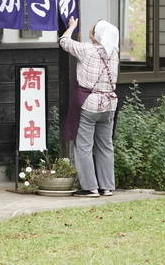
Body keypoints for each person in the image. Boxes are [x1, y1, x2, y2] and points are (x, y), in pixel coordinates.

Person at [59, 16, 119, 197]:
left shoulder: (87, 50)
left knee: (83, 146)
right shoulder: (114, 53)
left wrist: (71, 26)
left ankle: (90, 187)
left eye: (93, 32)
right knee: (105, 146)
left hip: (89, 103)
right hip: (109, 105)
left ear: (96, 35)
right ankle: (107, 187)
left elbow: (64, 42)